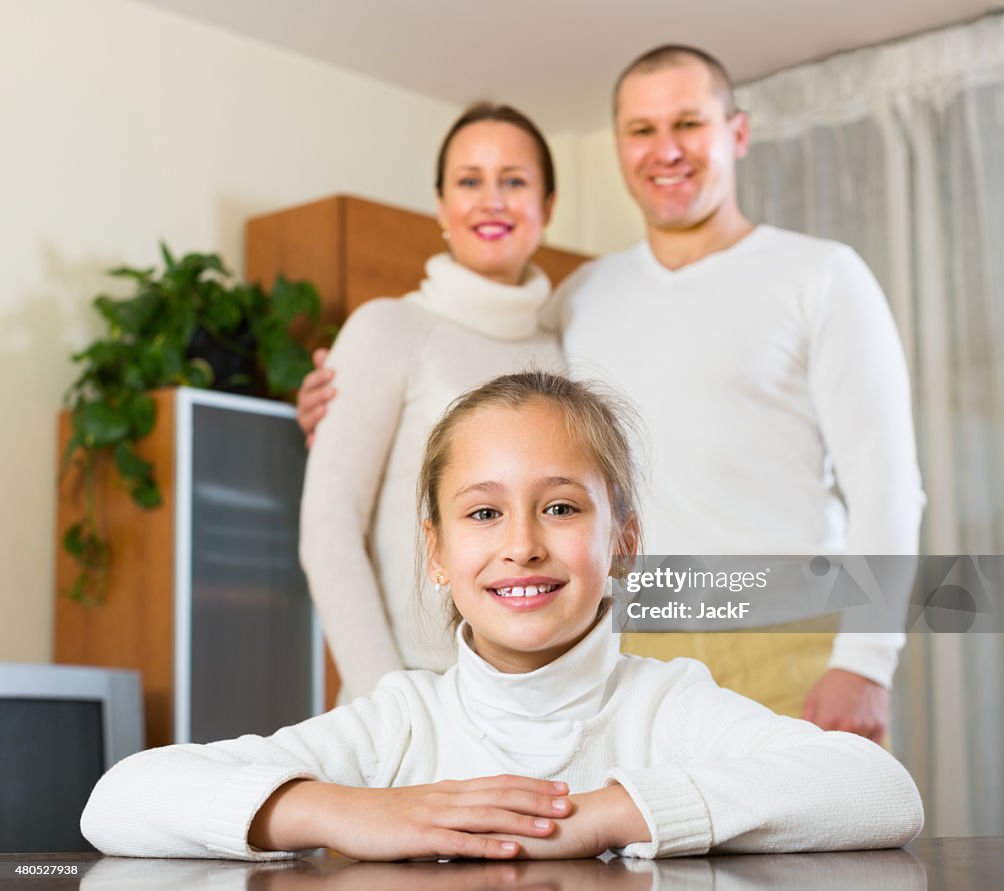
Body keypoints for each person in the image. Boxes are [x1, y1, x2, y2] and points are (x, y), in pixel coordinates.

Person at [298, 45, 923, 742]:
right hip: (627, 652)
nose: (666, 151)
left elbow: (886, 483)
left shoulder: (823, 276)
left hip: (788, 637)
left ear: (737, 133)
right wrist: (337, 398)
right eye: (641, 130)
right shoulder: (581, 299)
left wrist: (866, 660)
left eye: (688, 123)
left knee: (815, 846)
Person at [80, 371, 924, 861]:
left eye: (559, 508)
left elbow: (880, 789)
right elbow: (117, 799)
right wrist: (352, 811)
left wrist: (603, 815)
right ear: (438, 551)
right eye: (483, 514)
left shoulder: (669, 705)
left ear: (622, 540)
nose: (521, 545)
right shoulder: (398, 723)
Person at [299, 103, 563, 701]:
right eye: (469, 181)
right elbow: (329, 531)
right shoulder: (388, 329)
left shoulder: (565, 349)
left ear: (546, 206)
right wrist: (390, 705)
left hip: (543, 712)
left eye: (514, 181)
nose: (491, 200)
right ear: (442, 205)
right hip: (415, 701)